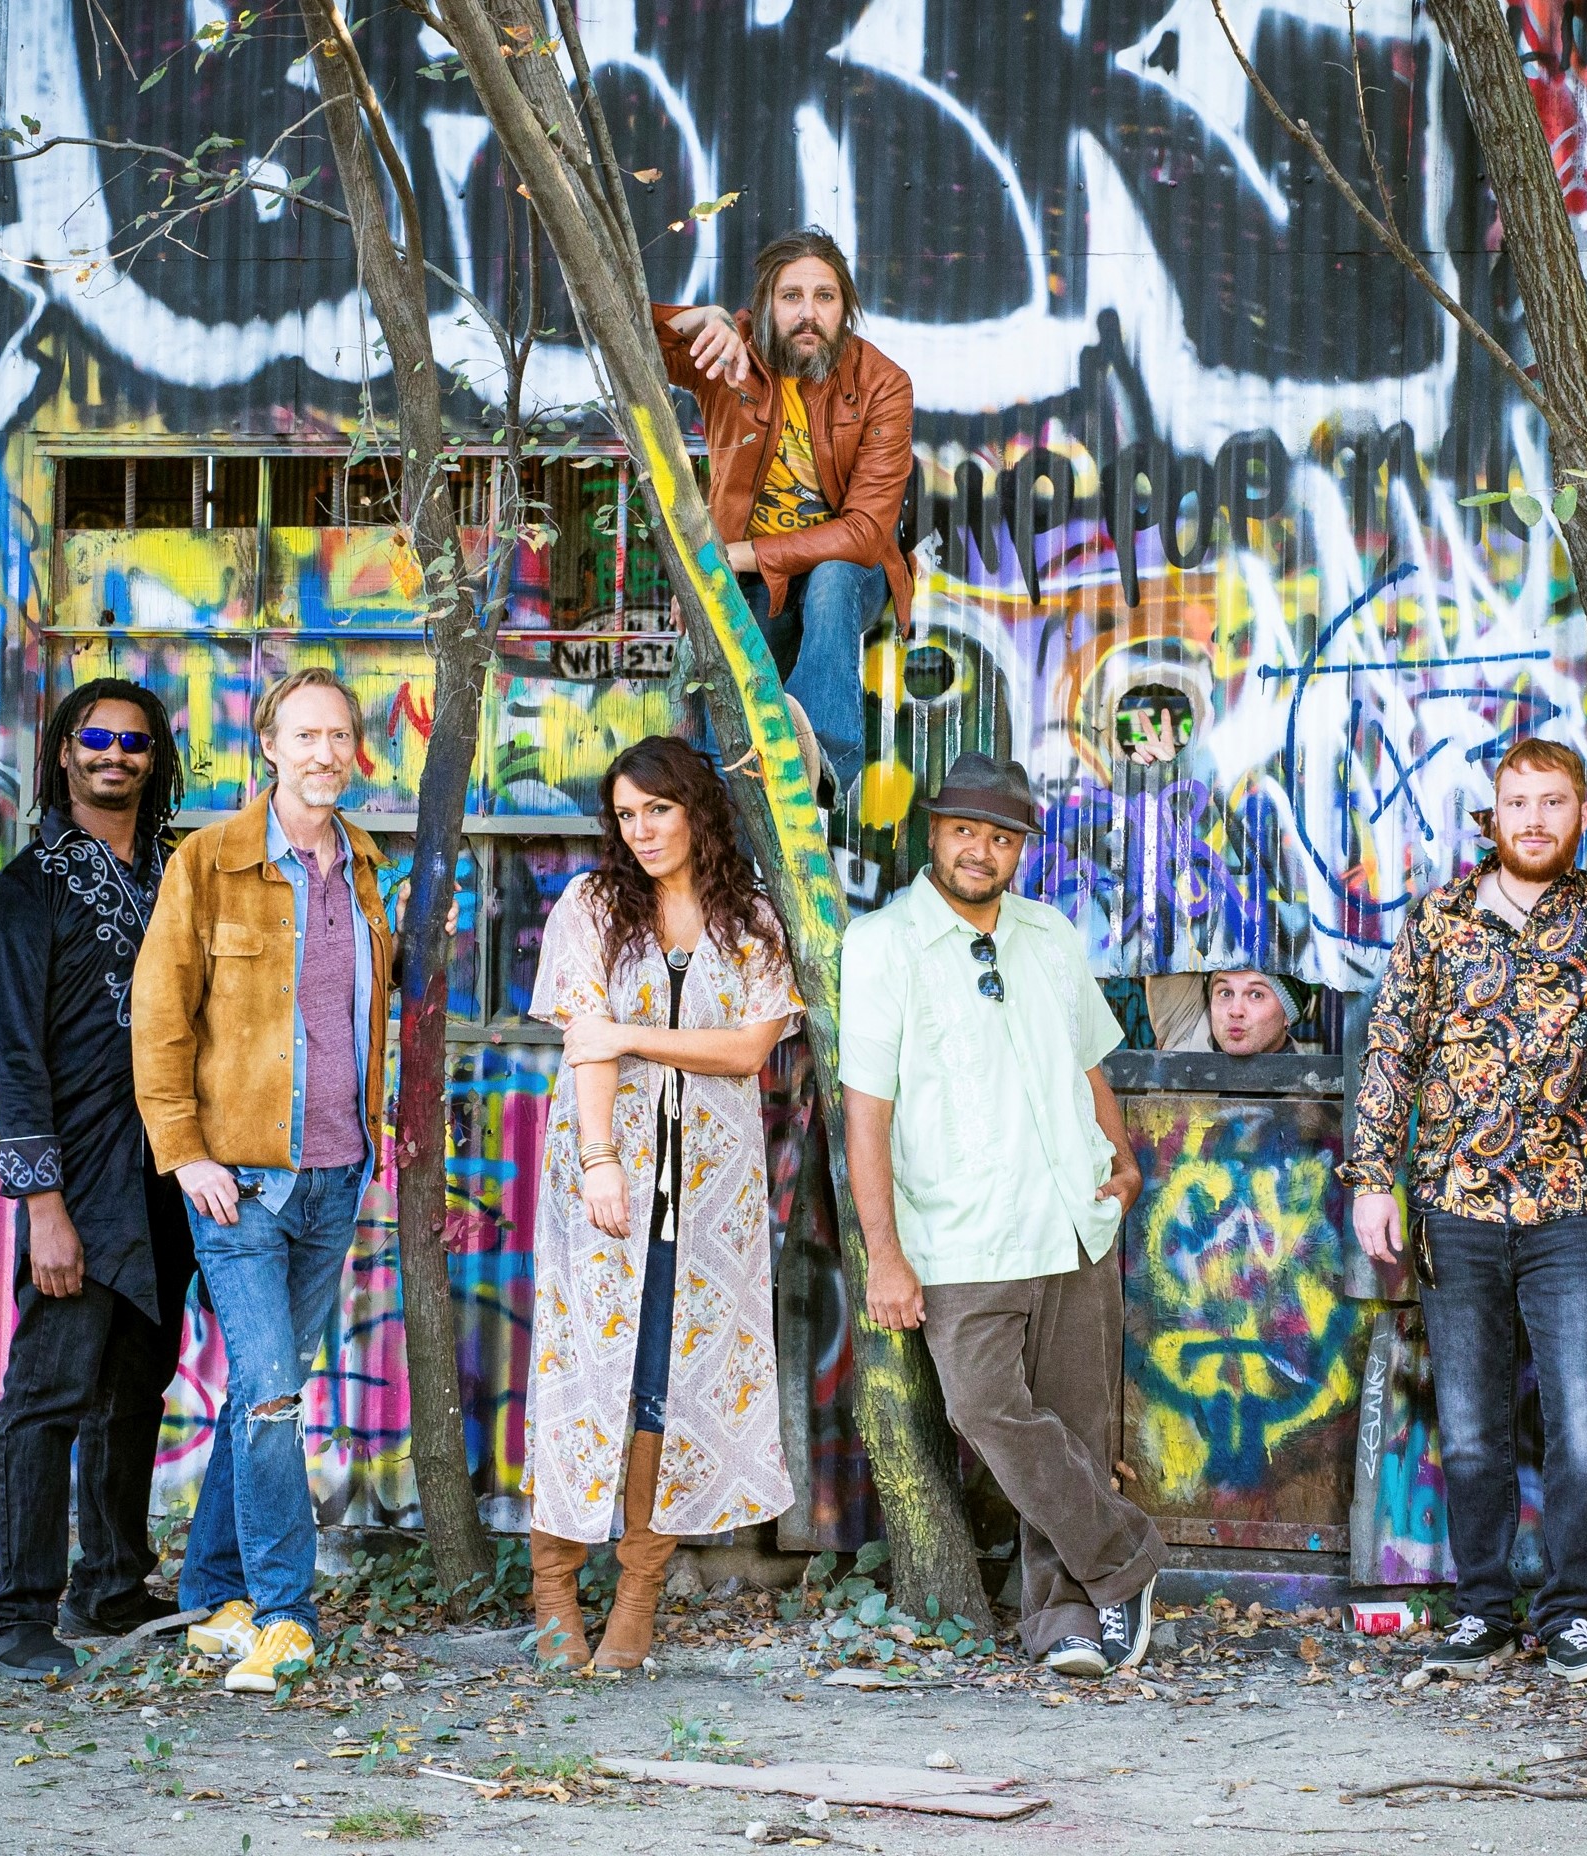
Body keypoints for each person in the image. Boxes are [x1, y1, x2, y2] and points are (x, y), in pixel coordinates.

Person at [1338, 737, 1587, 1684]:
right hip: (1454, 1210)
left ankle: (1568, 1614)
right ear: (1493, 814)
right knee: (1469, 1426)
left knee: (1577, 1419)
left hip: (1568, 1214)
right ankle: (1480, 1610)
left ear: (1580, 816)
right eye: (1516, 802)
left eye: (1551, 802)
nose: (1532, 819)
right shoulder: (1438, 920)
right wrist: (1367, 1179)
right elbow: (1391, 1052)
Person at [839, 752, 1163, 1679]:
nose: (981, 850)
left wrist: (1123, 1155)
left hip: (1069, 1221)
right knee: (984, 1408)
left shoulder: (1049, 935)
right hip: (959, 1233)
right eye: (965, 831)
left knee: (1072, 1425)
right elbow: (868, 1109)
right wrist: (885, 1256)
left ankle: (1064, 1622)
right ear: (932, 835)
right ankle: (1127, 1562)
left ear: (1021, 848)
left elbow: (1089, 1060)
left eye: (1001, 837)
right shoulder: (885, 945)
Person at [131, 668, 396, 1696]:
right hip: (238, 1185)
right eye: (306, 734)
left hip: (336, 1175)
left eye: (340, 735)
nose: (324, 752)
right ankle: (287, 1612)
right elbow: (159, 1018)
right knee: (277, 1396)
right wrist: (185, 1149)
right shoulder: (210, 863)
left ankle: (213, 1595)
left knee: (257, 1390)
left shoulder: (366, 867)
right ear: (269, 748)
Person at [522, 736, 801, 1672]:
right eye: (626, 814)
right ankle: (553, 1582)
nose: (640, 830)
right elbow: (582, 1045)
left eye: (657, 809)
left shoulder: (748, 919)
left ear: (695, 810)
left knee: (663, 1391)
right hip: (602, 1181)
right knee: (584, 1378)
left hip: (710, 1196)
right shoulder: (593, 906)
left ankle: (639, 1588)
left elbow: (746, 1052)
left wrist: (632, 1032)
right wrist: (601, 1161)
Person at [0, 680, 195, 1680]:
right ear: (62, 751)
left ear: (156, 757)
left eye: (133, 740)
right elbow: (13, 1056)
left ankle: (109, 1586)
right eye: (94, 737)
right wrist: (42, 1205)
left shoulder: (186, 875)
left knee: (135, 1387)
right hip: (81, 1178)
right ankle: (12, 1612)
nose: (114, 754)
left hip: (173, 1172)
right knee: (50, 1388)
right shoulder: (27, 888)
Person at [655, 227, 914, 786]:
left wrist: (733, 556)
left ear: (845, 307)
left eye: (825, 296)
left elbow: (866, 532)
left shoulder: (883, 384)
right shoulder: (732, 358)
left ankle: (821, 755)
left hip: (846, 579)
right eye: (791, 296)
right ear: (765, 303)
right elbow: (623, 339)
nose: (808, 314)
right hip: (754, 581)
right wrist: (703, 319)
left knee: (834, 575)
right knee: (722, 732)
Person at [1144, 969, 1314, 1054]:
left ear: (1288, 1015)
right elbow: (1168, 933)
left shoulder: (1315, 1093)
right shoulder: (1184, 1037)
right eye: (1225, 993)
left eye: (1256, 995)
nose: (1235, 1011)